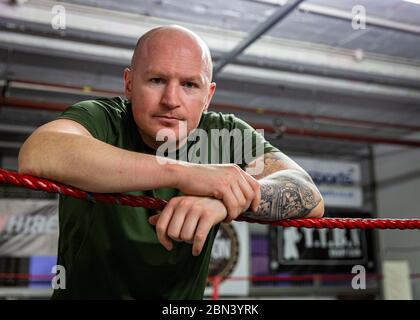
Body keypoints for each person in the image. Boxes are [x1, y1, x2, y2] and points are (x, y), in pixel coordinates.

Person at [18, 25, 324, 299]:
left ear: (208, 96)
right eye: (156, 80)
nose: (171, 99)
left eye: (190, 85)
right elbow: (38, 153)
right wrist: (183, 173)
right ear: (128, 84)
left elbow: (307, 193)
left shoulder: (224, 133)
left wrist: (227, 201)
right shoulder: (103, 119)